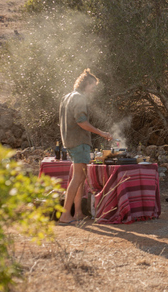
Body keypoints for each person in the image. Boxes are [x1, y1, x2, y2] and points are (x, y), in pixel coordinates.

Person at [59, 69, 112, 225]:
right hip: (78, 142)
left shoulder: (67, 97)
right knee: (78, 177)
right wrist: (101, 133)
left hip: (69, 141)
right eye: (93, 86)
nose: (93, 89)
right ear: (86, 84)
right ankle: (65, 215)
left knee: (80, 177)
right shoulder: (79, 99)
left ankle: (78, 213)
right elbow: (81, 122)